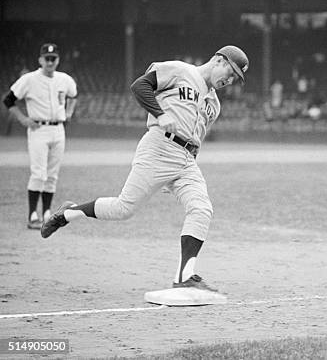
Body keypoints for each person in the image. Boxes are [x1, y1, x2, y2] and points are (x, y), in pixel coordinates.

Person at [41, 45, 248, 293]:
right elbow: (140, 86)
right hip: (159, 147)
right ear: (218, 59)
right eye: (231, 71)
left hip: (186, 160)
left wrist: (178, 174)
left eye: (236, 77)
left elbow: (198, 137)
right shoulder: (180, 70)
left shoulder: (214, 104)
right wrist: (160, 114)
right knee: (123, 209)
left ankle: (185, 276)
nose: (230, 79)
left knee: (201, 208)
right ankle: (68, 213)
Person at [3, 43, 77, 229]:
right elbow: (8, 99)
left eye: (54, 58)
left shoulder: (65, 79)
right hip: (38, 129)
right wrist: (22, 119)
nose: (50, 61)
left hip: (58, 129)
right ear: (40, 60)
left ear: (58, 59)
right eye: (47, 58)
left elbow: (74, 96)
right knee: (39, 173)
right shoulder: (29, 79)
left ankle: (46, 213)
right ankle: (32, 216)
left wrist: (69, 113)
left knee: (52, 175)